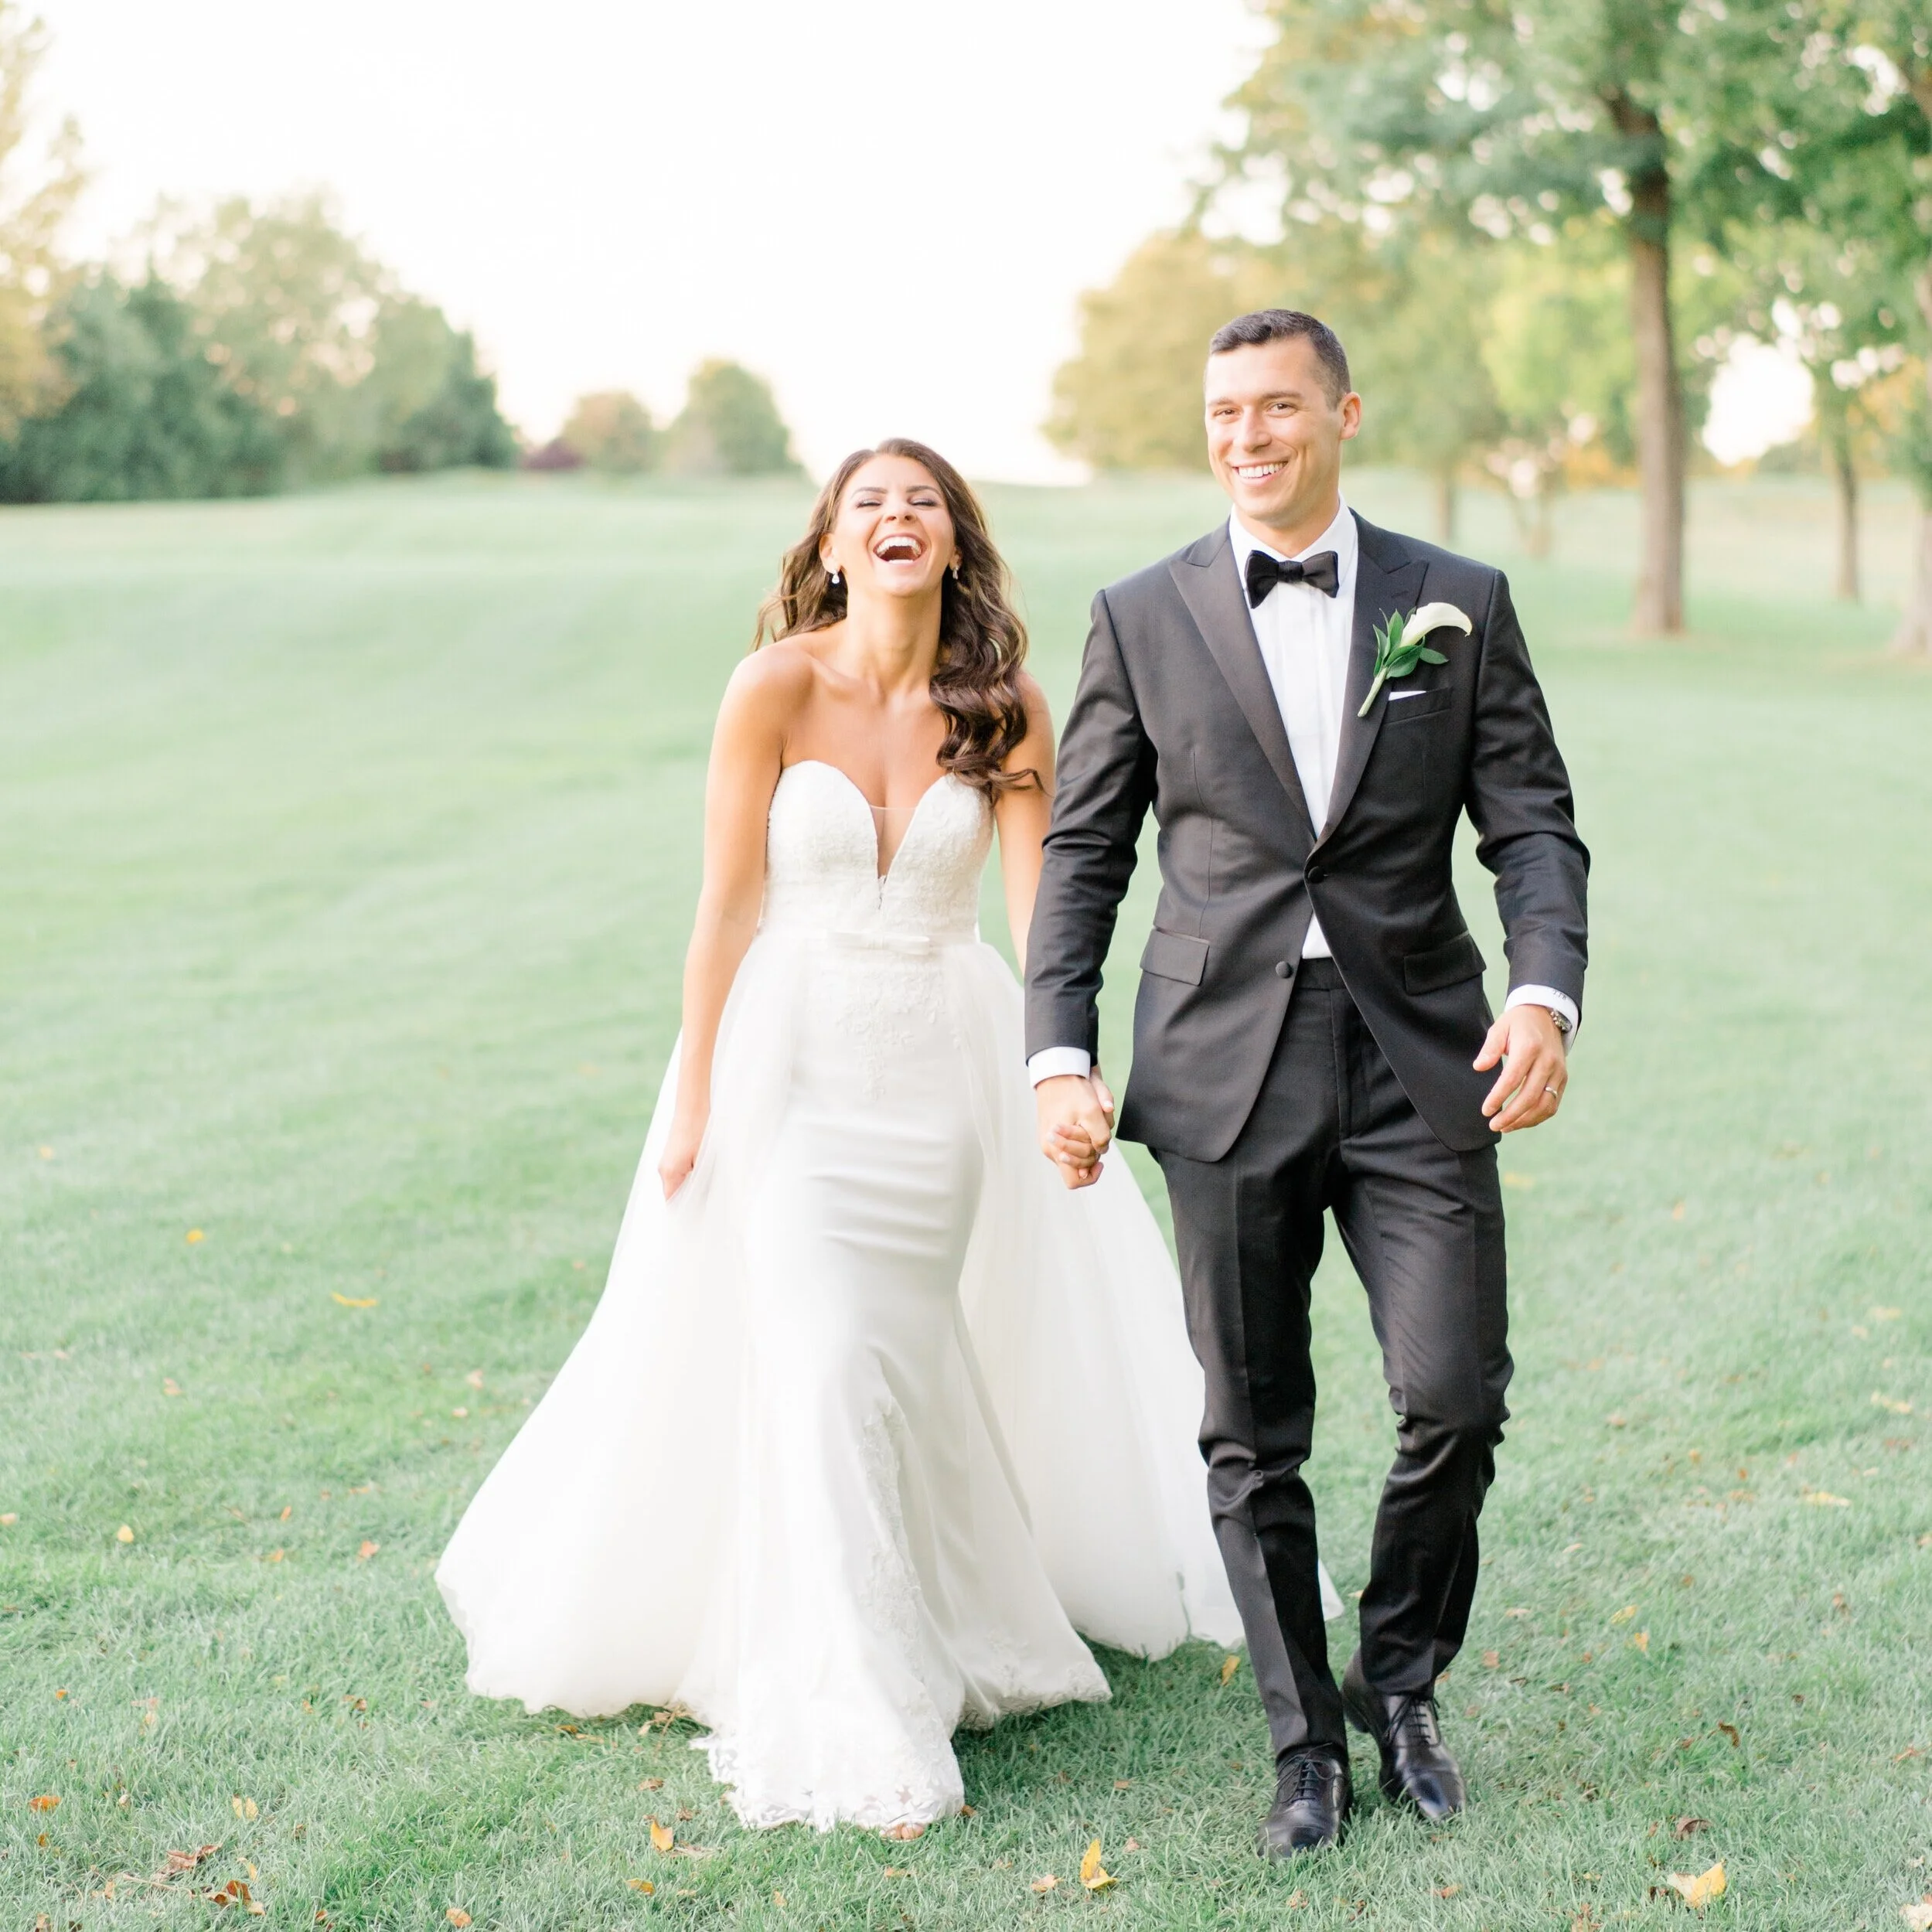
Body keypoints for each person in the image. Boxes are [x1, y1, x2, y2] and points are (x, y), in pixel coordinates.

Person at [436, 438, 1322, 1835]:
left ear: (953, 544)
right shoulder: (773, 686)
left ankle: (939, 1615)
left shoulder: (1005, 706)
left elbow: (1040, 912)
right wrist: (693, 1093)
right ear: (832, 546)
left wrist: (1061, 1066)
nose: (897, 517)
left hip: (938, 1078)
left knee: (895, 1360)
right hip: (792, 1066)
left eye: (923, 503)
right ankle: (854, 1700)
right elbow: (727, 903)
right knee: (823, 1356)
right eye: (870, 504)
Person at [1027, 310, 1589, 1857]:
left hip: (1423, 1057)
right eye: (1224, 411)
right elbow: (1083, 849)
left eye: (1277, 406)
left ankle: (1396, 1680)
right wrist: (1058, 1049)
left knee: (1454, 1395)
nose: (1247, 435)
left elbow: (1531, 826)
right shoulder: (1139, 615)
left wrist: (1541, 991)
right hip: (1222, 1067)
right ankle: (1304, 1745)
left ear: (1341, 413)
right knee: (1251, 1427)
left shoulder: (1455, 601)